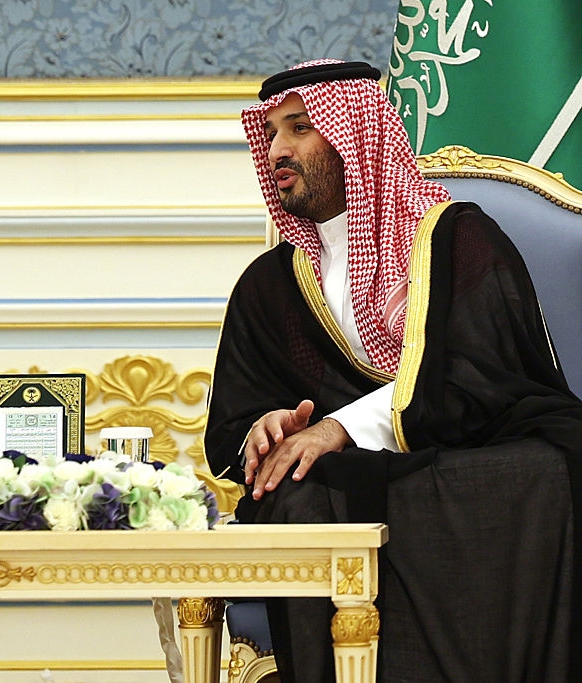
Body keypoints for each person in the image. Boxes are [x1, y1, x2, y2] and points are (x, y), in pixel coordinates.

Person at [205, 59, 582, 682]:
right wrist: (263, 429)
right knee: (292, 495)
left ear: (355, 133)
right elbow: (236, 420)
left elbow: (482, 379)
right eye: (269, 133)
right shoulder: (267, 285)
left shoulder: (458, 239)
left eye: (299, 128)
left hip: (464, 455)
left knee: (545, 471)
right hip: (344, 482)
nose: (278, 149)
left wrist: (339, 427)